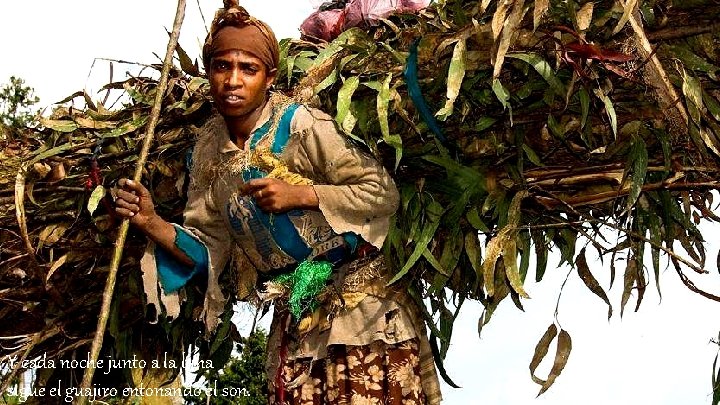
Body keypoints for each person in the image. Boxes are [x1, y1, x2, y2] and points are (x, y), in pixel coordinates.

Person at [115, 1, 441, 403]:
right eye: (222, 67)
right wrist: (151, 223)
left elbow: (381, 191)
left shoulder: (302, 125)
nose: (232, 80)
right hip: (296, 323)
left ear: (268, 77)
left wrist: (302, 194)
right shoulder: (206, 155)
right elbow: (209, 250)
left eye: (247, 69)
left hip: (363, 315)